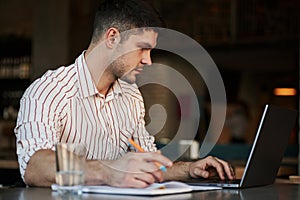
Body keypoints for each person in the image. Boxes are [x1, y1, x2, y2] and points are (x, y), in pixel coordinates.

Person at [14, 0, 235, 188]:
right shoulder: (49, 90)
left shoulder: (131, 95)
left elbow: (148, 164)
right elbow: (33, 166)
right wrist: (107, 171)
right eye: (142, 48)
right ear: (112, 38)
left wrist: (190, 169)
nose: (148, 60)